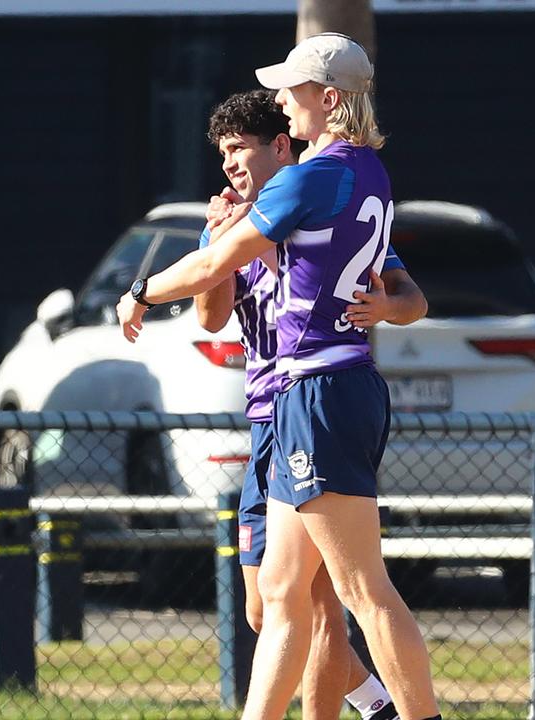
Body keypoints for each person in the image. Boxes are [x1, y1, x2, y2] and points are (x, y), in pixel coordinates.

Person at [118, 34, 441, 720]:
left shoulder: (315, 175)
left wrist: (141, 292)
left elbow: (215, 265)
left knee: (361, 591)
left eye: (293, 90)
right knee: (285, 594)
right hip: (319, 392)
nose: (282, 102)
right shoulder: (367, 171)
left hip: (320, 389)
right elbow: (224, 288)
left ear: (329, 99)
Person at [196, 90, 425, 720]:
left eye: (240, 148)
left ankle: (364, 708)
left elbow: (406, 294)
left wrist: (390, 308)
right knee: (265, 605)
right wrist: (217, 251)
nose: (229, 164)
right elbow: (212, 317)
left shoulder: (321, 198)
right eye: (222, 153)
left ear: (282, 146)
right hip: (269, 414)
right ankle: (376, 702)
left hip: (312, 403)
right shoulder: (235, 221)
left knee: (324, 601)